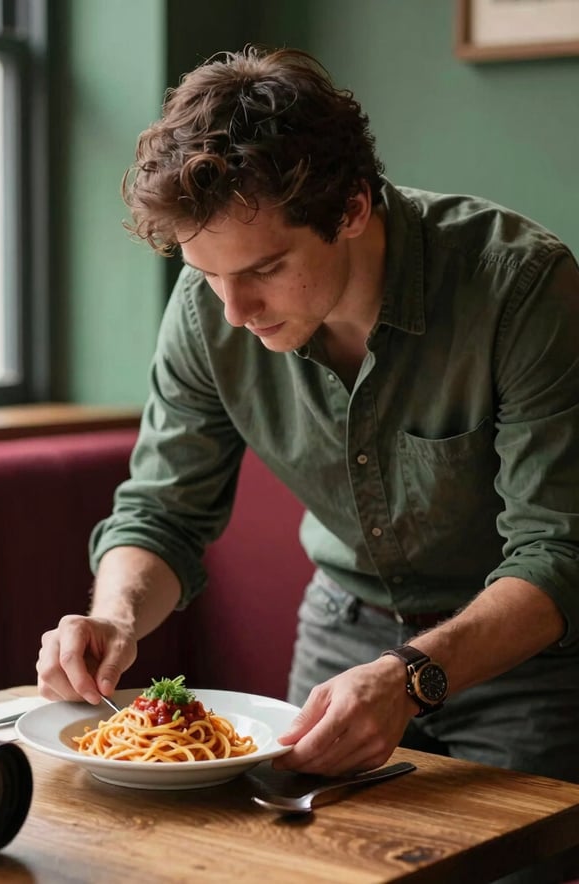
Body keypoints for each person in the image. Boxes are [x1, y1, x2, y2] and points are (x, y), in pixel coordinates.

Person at [37, 44, 579, 795]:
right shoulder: (210, 313)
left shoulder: (519, 287)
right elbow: (163, 514)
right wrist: (118, 618)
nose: (235, 312)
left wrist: (409, 675)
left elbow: (557, 553)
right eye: (207, 275)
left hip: (519, 660)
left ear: (352, 207)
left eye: (262, 270)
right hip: (343, 626)